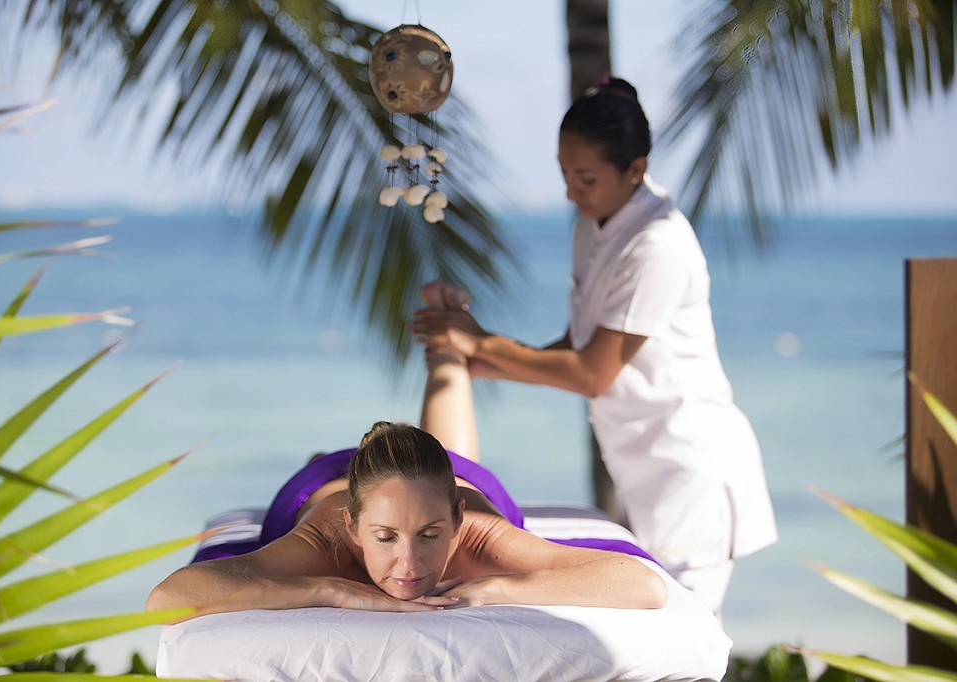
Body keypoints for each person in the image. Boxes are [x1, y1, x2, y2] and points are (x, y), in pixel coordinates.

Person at [408, 77, 777, 616]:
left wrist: (480, 341)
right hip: (642, 471)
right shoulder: (595, 225)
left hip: (688, 472)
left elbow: (591, 373)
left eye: (585, 178)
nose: (570, 193)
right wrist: (477, 358)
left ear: (636, 170)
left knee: (677, 648)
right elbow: (576, 346)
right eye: (564, 175)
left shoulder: (659, 244)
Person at [146, 341, 668, 620]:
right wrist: (334, 591)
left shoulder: (481, 537)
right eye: (384, 539)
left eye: (431, 536)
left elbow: (644, 585)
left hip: (448, 477)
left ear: (459, 521)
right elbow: (167, 598)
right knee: (345, 468)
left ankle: (448, 353)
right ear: (352, 529)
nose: (410, 566)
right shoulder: (323, 544)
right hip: (325, 486)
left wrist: (493, 589)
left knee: (453, 460)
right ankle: (337, 456)